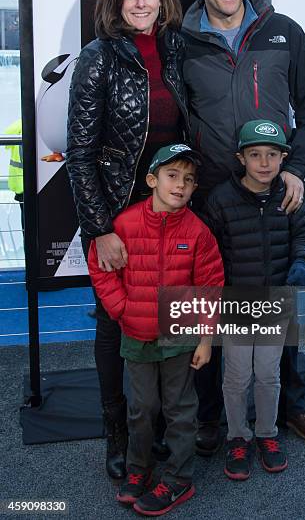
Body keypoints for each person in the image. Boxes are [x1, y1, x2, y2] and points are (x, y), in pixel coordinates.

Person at [182, 0, 305, 451]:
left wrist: (298, 167)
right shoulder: (181, 42)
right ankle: (207, 415)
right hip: (210, 200)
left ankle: (291, 404)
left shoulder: (283, 32)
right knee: (211, 304)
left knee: (275, 304)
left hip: (275, 193)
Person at [66, 0, 190, 480]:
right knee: (116, 325)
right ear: (116, 3)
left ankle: (159, 428)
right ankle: (118, 434)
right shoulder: (98, 58)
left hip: (175, 213)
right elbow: (80, 152)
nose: (141, 3)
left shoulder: (177, 49)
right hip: (119, 218)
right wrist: (100, 231)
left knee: (167, 319)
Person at [87, 145, 224, 515]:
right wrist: (122, 309)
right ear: (152, 180)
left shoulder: (198, 232)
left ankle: (179, 480)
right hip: (136, 334)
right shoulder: (125, 224)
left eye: (190, 180)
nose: (181, 185)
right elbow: (100, 267)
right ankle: (139, 470)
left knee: (179, 410)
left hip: (181, 335)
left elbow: (211, 285)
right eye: (172, 175)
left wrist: (207, 338)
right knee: (141, 408)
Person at [204, 120, 305, 480]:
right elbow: (210, 251)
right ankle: (238, 436)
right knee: (236, 376)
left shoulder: (292, 194)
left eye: (272, 155)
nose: (264, 163)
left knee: (268, 374)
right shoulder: (220, 198)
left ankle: (267, 434)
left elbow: (303, 234)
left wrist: (300, 262)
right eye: (255, 155)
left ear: (283, 158)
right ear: (241, 158)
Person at [4, 119, 24, 234]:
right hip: (28, 185)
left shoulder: (17, 126)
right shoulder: (37, 124)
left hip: (21, 185)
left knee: (27, 228)